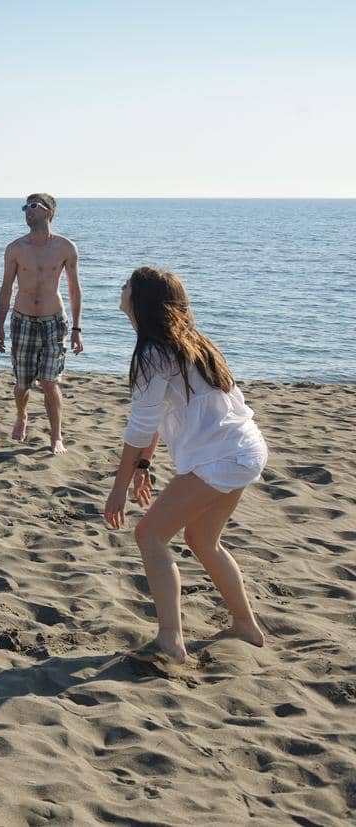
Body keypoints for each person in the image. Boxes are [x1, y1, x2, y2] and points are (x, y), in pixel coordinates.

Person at [102, 267, 270, 665]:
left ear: (141, 301)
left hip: (222, 456)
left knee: (150, 536)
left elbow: (140, 424)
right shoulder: (189, 342)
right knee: (202, 539)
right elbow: (161, 416)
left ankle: (169, 641)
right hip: (243, 448)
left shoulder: (152, 353)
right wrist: (144, 464)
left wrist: (119, 487)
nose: (121, 289)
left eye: (127, 285)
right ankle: (245, 625)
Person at [0, 192, 83, 454]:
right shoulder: (15, 249)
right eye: (25, 207)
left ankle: (56, 436)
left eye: (34, 206)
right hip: (22, 321)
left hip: (53, 321)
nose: (28, 211)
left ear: (49, 213)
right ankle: (22, 415)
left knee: (49, 381)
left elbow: (75, 290)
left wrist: (77, 329)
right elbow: (6, 289)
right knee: (22, 383)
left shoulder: (66, 248)